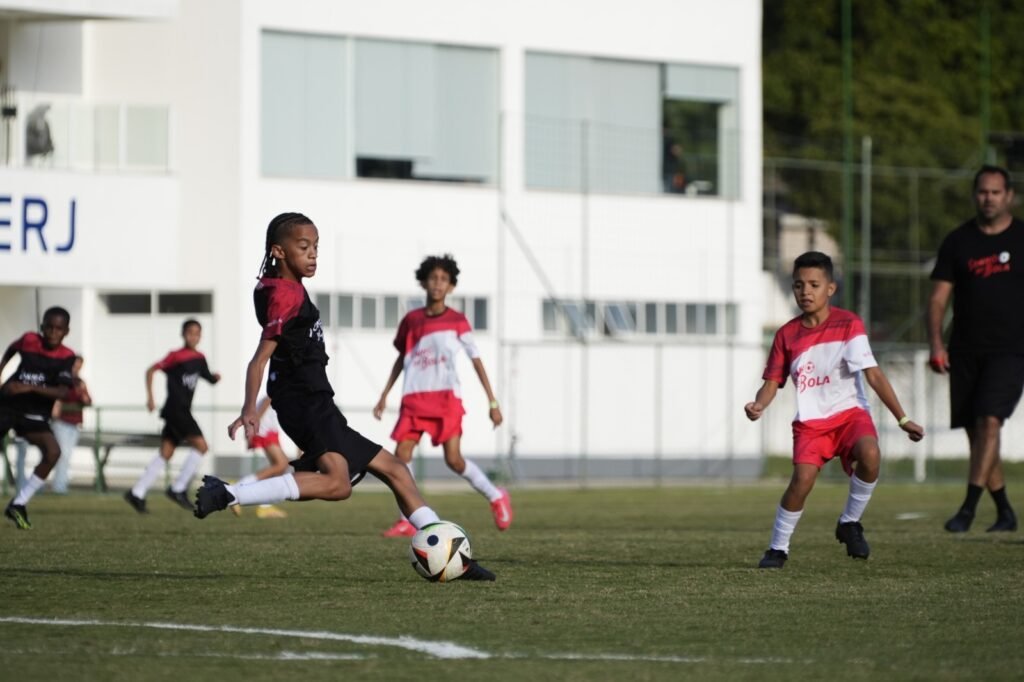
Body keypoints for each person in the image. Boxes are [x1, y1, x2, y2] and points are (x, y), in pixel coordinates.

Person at [196, 212, 495, 580]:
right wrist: (249, 409)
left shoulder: (277, 287)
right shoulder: (285, 295)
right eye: (303, 247)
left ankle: (451, 555)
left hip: (313, 401)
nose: (312, 254)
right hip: (305, 402)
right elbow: (259, 358)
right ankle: (230, 494)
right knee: (338, 484)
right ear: (278, 251)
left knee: (395, 469)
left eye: (315, 246)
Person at [745, 252, 924, 569]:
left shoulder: (848, 324)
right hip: (811, 425)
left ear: (830, 288)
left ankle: (850, 522)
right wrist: (759, 404)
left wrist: (903, 418)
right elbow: (771, 383)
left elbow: (874, 375)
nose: (805, 291)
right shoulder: (786, 335)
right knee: (802, 481)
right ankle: (777, 549)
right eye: (798, 285)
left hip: (850, 415)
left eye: (814, 284)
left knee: (870, 454)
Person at [372, 254, 512, 537]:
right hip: (414, 399)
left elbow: (476, 361)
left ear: (451, 286)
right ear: (424, 282)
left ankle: (496, 495)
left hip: (446, 400)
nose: (437, 283)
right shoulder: (411, 320)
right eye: (433, 278)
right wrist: (385, 394)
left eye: (444, 279)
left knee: (454, 460)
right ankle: (407, 518)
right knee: (401, 456)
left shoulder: (457, 321)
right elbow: (402, 358)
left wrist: (493, 402)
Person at [928, 164, 1024, 533]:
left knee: (990, 420)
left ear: (1008, 196)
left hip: (1011, 350)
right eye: (983, 192)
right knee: (977, 432)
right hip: (964, 350)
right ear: (974, 195)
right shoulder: (958, 241)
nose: (989, 198)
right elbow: (938, 299)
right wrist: (936, 343)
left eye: (996, 192)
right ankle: (1005, 512)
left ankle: (967, 510)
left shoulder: (1022, 238)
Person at [124, 319, 221, 514]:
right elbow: (151, 370)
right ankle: (178, 488)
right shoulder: (175, 356)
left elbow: (207, 377)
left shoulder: (200, 358)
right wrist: (150, 398)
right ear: (183, 334)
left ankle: (137, 492)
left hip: (181, 410)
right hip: (177, 410)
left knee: (166, 452)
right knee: (202, 446)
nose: (193, 336)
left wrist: (215, 378)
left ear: (200, 336)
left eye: (197, 333)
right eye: (189, 332)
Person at [1, 306, 77, 529]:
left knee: (53, 452)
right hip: (7, 405)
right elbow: (11, 349)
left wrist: (28, 387)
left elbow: (62, 392)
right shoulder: (29, 340)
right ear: (42, 326)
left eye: (58, 329)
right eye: (49, 327)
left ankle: (18, 503)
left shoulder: (67, 356)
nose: (53, 332)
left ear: (66, 331)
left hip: (34, 414)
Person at [234, 393, 289, 519]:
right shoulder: (278, 390)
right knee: (282, 464)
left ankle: (265, 506)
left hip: (270, 430)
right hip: (265, 430)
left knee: (279, 468)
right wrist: (253, 426)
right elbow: (267, 400)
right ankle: (238, 488)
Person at [50, 355, 93, 494]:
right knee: (62, 454)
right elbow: (60, 398)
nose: (77, 369)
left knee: (67, 455)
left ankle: (61, 485)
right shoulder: (63, 381)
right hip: (62, 422)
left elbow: (88, 401)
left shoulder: (80, 382)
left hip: (75, 423)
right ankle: (58, 486)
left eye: (79, 366)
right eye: (75, 365)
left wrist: (83, 394)